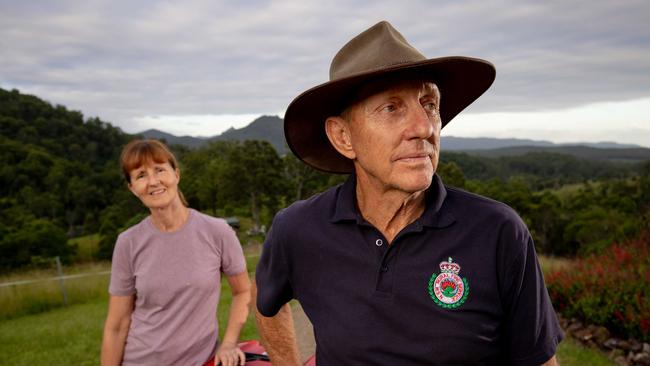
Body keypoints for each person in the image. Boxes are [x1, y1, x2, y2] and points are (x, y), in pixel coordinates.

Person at [255, 21, 563, 365]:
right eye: (391, 108)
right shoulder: (298, 229)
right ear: (343, 137)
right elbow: (267, 303)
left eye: (429, 104)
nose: (425, 127)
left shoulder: (498, 232)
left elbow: (538, 359)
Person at [101, 139, 251, 366]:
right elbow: (117, 325)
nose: (153, 182)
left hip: (200, 361)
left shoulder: (217, 231)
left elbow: (242, 292)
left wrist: (230, 343)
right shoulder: (127, 243)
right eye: (141, 175)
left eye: (160, 170)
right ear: (132, 188)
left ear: (176, 174)